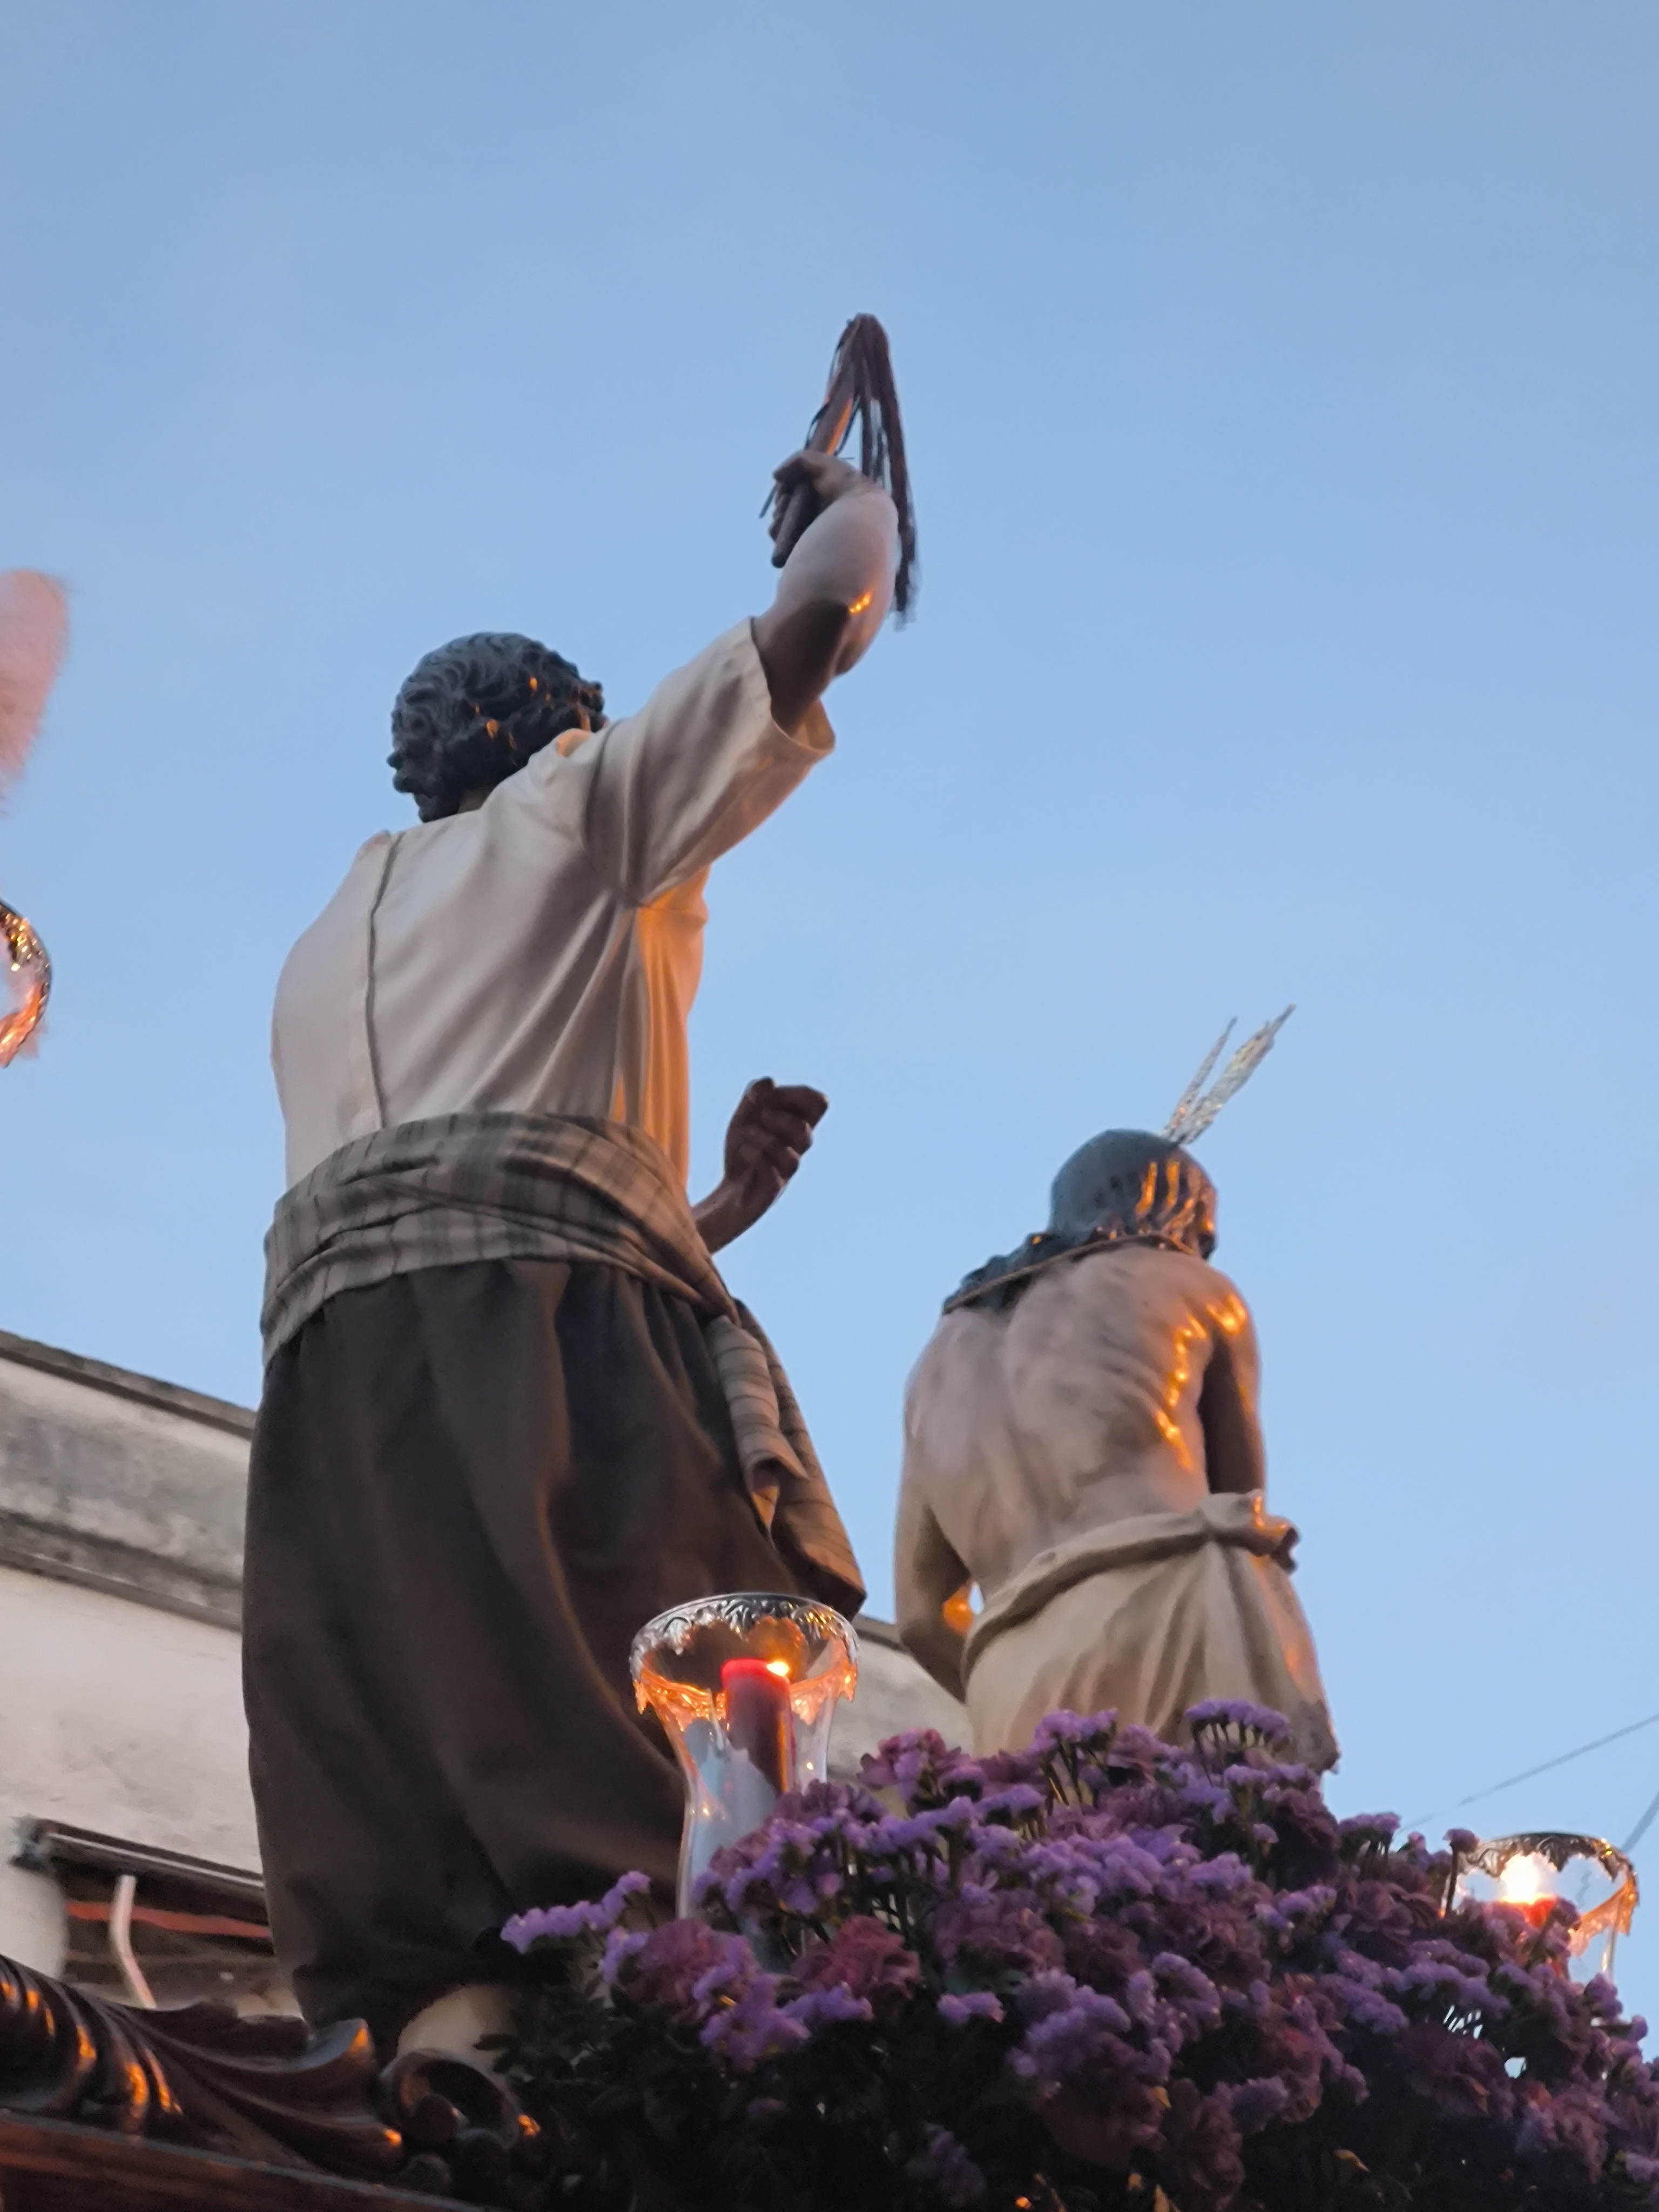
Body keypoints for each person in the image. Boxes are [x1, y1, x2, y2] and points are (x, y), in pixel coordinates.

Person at [245, 448, 898, 2053]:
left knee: (420, 1841)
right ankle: (709, 2078)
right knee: (658, 1794)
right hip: (547, 1363)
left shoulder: (326, 941)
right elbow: (821, 619)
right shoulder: (586, 811)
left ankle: (447, 2077)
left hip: (333, 1410)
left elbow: (465, 1187)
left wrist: (706, 1216)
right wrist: (849, 499)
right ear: (572, 725)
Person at [895, 1129, 1337, 1770]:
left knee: (1061, 1866)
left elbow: (919, 1617)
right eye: (1202, 1233)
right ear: (1177, 1212)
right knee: (1237, 1847)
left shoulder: (933, 1364)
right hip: (1165, 1598)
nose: (1199, 1250)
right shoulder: (1192, 1286)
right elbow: (1242, 1510)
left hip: (1011, 1670)